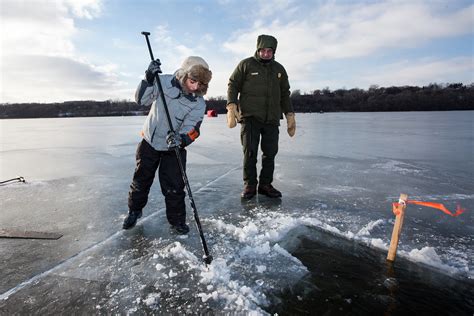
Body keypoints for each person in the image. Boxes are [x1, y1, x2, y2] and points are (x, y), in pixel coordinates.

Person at [123, 56, 212, 234]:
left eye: (200, 84)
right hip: (149, 142)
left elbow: (192, 128)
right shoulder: (163, 82)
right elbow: (141, 100)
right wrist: (148, 79)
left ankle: (177, 220)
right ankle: (134, 211)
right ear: (184, 74)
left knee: (174, 187)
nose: (195, 87)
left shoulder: (198, 104)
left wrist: (181, 139)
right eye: (192, 81)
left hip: (173, 148)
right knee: (141, 181)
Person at [226, 34, 296, 199]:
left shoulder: (279, 69)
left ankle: (265, 184)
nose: (265, 54)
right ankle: (250, 185)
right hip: (250, 117)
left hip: (271, 118)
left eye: (269, 51)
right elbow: (233, 84)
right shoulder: (246, 65)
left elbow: (285, 94)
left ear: (273, 52)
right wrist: (231, 105)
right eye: (262, 50)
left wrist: (289, 114)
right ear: (258, 50)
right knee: (250, 153)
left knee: (270, 153)